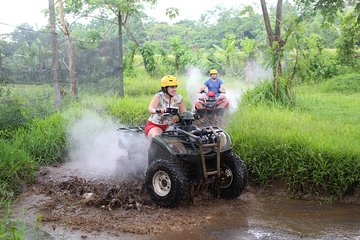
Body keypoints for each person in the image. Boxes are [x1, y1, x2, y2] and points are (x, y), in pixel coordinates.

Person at [145, 75, 186, 140]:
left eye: (176, 87)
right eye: (172, 87)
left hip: (172, 127)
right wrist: (158, 111)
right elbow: (150, 108)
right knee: (158, 139)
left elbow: (184, 113)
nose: (175, 89)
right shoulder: (159, 96)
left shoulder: (179, 98)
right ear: (165, 88)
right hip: (156, 125)